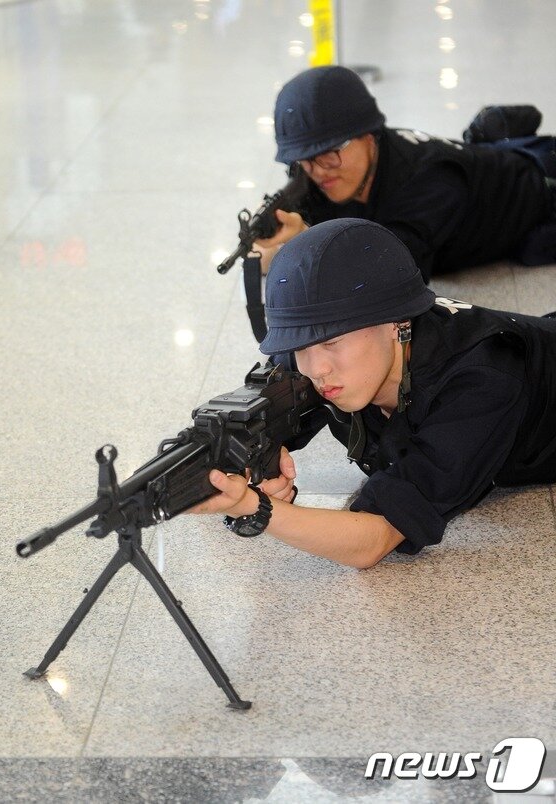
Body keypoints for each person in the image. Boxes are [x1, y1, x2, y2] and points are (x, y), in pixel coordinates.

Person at [189, 218, 556, 568]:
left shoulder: (481, 381)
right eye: (300, 347)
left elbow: (375, 539)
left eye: (332, 342)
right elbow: (259, 417)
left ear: (398, 323)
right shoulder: (326, 346)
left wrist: (257, 508)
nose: (316, 369)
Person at [255, 65, 556, 282]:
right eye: (304, 160)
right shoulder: (341, 164)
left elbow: (394, 275)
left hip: (544, 193)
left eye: (329, 153)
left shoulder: (430, 182)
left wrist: (305, 243)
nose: (318, 171)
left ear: (369, 136)